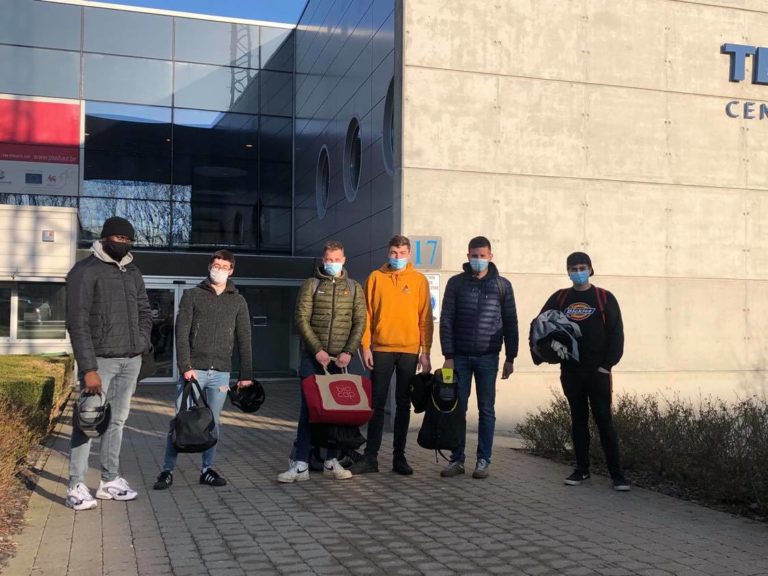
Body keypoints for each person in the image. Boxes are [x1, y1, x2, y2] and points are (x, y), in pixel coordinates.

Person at [65, 216, 152, 510]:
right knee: (88, 421)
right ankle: (76, 485)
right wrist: (89, 369)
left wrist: (141, 343)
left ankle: (109, 480)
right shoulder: (84, 271)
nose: (123, 243)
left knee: (117, 421)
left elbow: (144, 311)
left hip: (130, 360)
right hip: (100, 362)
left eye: (128, 240)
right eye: (118, 238)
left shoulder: (133, 272)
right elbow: (77, 322)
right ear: (104, 238)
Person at [153, 250, 253, 490]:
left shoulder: (238, 301)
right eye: (216, 265)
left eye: (224, 267)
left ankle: (207, 470)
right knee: (180, 421)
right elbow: (181, 333)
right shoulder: (192, 295)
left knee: (213, 423)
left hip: (221, 373)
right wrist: (185, 366)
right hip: (193, 372)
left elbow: (244, 337)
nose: (219, 270)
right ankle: (167, 470)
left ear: (231, 271)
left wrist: (246, 374)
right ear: (209, 267)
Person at [539, 252, 630, 491]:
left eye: (582, 267)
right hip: (571, 372)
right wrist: (548, 352)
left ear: (590, 269)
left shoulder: (604, 298)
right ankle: (582, 469)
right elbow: (541, 326)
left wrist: (606, 366)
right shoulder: (560, 298)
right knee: (578, 420)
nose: (577, 272)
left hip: (598, 372)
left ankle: (617, 475)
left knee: (604, 420)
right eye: (573, 268)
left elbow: (616, 335)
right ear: (567, 271)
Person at [278, 240, 366, 482]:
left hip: (341, 361)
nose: (332, 264)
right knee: (309, 411)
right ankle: (301, 464)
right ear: (322, 260)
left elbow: (360, 322)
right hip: (313, 359)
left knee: (338, 413)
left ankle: (331, 461)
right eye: (328, 260)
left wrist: (349, 351)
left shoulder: (354, 288)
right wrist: (317, 350)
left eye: (336, 260)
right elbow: (301, 319)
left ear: (344, 260)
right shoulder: (311, 284)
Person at [350, 235, 433, 475]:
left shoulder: (419, 280)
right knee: (376, 404)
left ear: (409, 254)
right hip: (381, 349)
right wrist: (365, 346)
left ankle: (399, 458)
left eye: (402, 253)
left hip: (409, 350)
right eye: (394, 253)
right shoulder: (375, 278)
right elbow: (366, 315)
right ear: (388, 253)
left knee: (403, 404)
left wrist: (426, 352)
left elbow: (425, 318)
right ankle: (371, 458)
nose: (398, 257)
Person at [439, 236, 518, 479]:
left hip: (488, 357)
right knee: (457, 409)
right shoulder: (456, 283)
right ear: (468, 256)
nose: (478, 260)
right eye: (474, 256)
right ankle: (457, 459)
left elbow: (511, 322)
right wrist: (448, 355)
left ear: (490, 257)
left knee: (486, 409)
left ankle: (483, 460)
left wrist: (511, 357)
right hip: (459, 357)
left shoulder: (502, 285)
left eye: (483, 256)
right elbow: (446, 319)